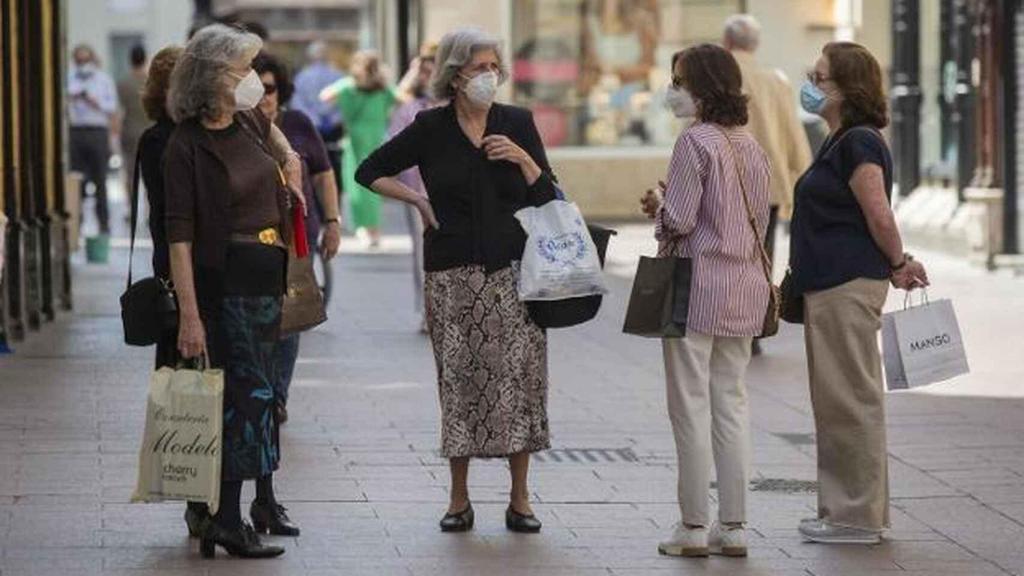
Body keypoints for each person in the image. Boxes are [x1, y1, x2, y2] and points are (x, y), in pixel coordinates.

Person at [356, 27, 558, 534]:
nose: (489, 76)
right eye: (478, 68)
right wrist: (418, 200)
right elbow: (368, 170)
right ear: (454, 74)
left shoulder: (517, 122)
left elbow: (550, 197)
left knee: (519, 382)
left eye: (494, 66)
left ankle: (521, 499)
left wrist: (525, 160)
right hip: (451, 275)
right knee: (459, 384)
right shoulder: (431, 127)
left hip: (513, 272)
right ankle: (458, 498)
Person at [164, 23, 307, 559]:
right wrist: (190, 316)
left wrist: (290, 167)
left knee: (260, 397)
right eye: (240, 70)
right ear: (211, 77)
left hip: (266, 279)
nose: (251, 79)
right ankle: (225, 518)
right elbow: (180, 236)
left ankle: (238, 513)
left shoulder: (248, 120)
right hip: (226, 287)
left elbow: (282, 147)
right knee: (245, 400)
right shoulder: (186, 146)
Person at [791, 42, 929, 544]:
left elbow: (879, 213)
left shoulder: (860, 143)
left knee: (850, 399)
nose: (811, 81)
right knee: (836, 400)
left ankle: (857, 518)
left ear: (847, 86)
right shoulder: (839, 139)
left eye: (819, 74)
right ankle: (842, 509)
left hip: (846, 284)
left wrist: (899, 262)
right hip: (831, 284)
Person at [640, 44, 771, 558]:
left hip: (695, 286)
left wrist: (660, 206)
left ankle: (693, 526)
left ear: (702, 86)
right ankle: (734, 526)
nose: (672, 90)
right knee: (731, 405)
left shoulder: (694, 142)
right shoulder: (750, 145)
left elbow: (682, 221)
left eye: (679, 80)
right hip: (744, 287)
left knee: (689, 407)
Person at [253, 51, 342, 425]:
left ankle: (278, 396)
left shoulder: (300, 124)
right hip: (253, 240)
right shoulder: (239, 130)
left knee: (290, 320)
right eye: (255, 89)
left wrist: (334, 221)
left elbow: (322, 175)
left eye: (270, 88)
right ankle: (258, 391)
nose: (264, 97)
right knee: (258, 319)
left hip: (296, 238)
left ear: (281, 90)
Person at [722, 14, 812, 356]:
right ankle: (756, 326)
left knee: (727, 254)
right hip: (769, 185)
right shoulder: (775, 80)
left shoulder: (721, 77)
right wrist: (800, 176)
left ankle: (730, 323)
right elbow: (793, 133)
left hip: (728, 183)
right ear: (754, 45)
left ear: (727, 42)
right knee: (762, 257)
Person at [386, 43, 440, 332]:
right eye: (425, 72)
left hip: (455, 194)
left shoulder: (457, 109)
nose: (429, 78)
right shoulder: (410, 109)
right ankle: (429, 312)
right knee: (422, 253)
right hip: (418, 193)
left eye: (435, 71)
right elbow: (392, 148)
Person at [322, 50, 397, 247]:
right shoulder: (383, 89)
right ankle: (373, 229)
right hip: (376, 141)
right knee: (374, 184)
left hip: (355, 141)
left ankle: (365, 228)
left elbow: (325, 97)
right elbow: (399, 100)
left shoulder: (348, 87)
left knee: (357, 185)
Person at [68, 44, 118, 235]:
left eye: (86, 60)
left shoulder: (103, 80)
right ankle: (76, 225)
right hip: (76, 132)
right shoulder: (69, 78)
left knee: (100, 180)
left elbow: (111, 107)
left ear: (93, 59)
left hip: (98, 131)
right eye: (79, 61)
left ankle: (104, 224)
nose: (83, 64)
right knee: (77, 181)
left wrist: (95, 102)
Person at [118, 44, 149, 200]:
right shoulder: (150, 80)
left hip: (129, 131)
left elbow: (119, 111)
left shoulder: (123, 83)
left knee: (130, 172)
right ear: (145, 58)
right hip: (149, 128)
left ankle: (131, 206)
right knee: (151, 171)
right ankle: (148, 209)